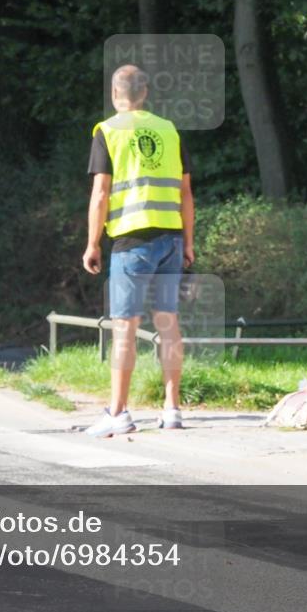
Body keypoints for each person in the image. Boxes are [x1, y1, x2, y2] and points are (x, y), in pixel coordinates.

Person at [82, 65, 195, 437]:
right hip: (172, 237)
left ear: (116, 95)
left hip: (131, 241)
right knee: (169, 323)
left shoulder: (108, 131)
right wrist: (189, 243)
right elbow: (185, 193)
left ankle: (117, 412)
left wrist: (93, 242)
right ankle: (173, 408)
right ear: (144, 94)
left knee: (125, 328)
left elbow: (101, 193)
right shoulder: (169, 130)